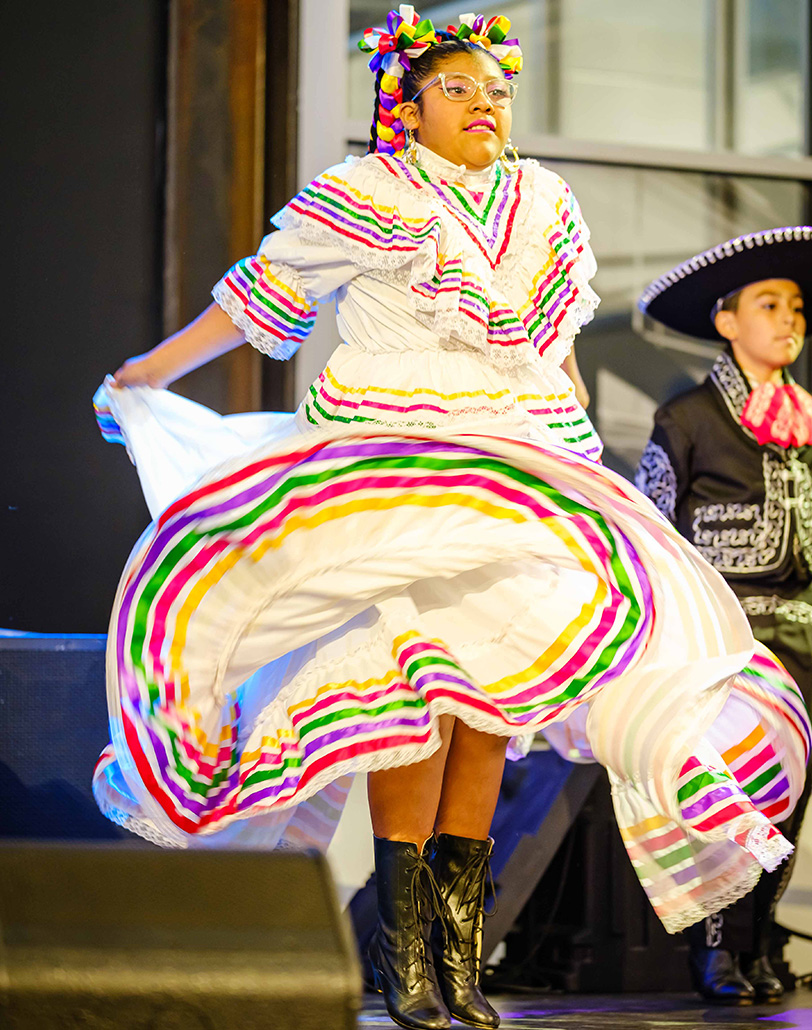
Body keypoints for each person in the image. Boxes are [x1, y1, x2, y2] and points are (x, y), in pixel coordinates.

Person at [93, 8, 808, 1028]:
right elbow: (260, 298)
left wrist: (579, 466)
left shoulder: (542, 200)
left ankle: (456, 958)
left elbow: (555, 343)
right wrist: (150, 373)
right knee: (411, 697)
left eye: (496, 89)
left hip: (518, 453)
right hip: (397, 454)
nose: (485, 103)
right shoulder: (362, 193)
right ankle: (404, 961)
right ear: (408, 102)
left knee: (489, 708)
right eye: (460, 88)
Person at [636, 228, 812, 1005]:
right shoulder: (687, 418)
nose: (789, 321)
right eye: (768, 305)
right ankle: (718, 949)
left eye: (797, 307)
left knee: (793, 802)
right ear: (727, 321)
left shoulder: (810, 418)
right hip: (730, 643)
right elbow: (651, 530)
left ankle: (764, 940)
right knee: (735, 800)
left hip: (804, 635)